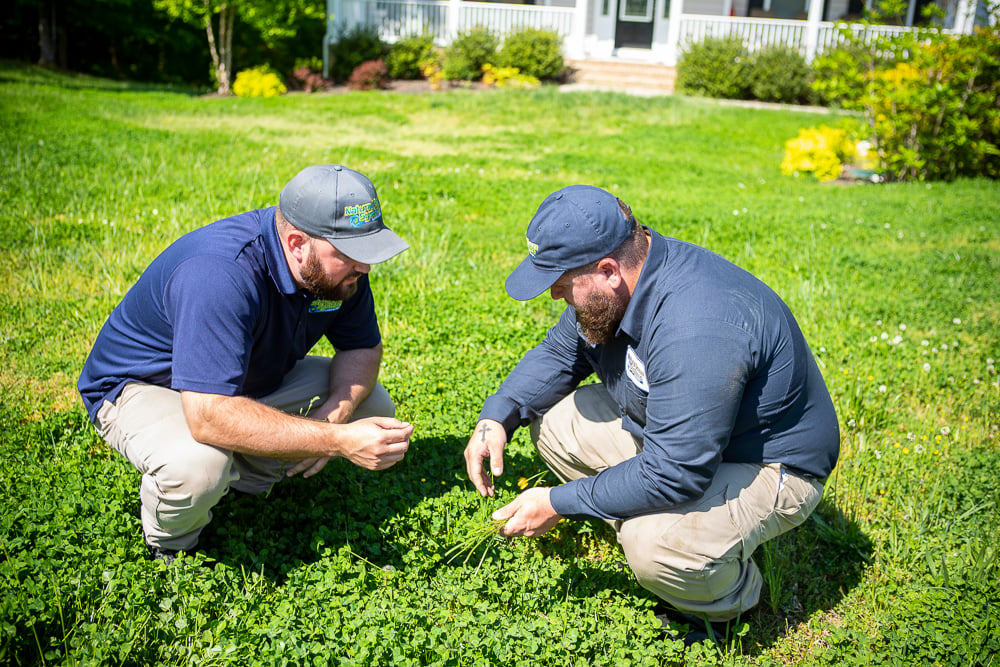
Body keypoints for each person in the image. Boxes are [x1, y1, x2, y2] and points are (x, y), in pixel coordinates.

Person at [464, 185, 839, 633]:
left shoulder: (696, 325)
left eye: (562, 285)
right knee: (556, 424)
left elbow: (676, 472)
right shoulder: (621, 283)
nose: (554, 297)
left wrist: (558, 503)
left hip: (764, 463)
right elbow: (562, 352)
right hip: (685, 439)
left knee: (654, 546)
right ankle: (647, 512)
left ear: (607, 271)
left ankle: (726, 602)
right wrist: (498, 415)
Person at [79, 164, 414, 563]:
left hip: (239, 380)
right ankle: (171, 549)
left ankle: (244, 481)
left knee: (371, 403)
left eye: (368, 251)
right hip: (147, 386)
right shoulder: (219, 274)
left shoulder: (340, 272)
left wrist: (334, 414)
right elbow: (207, 415)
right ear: (296, 243)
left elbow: (361, 349)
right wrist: (335, 440)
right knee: (198, 465)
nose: (366, 267)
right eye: (353, 255)